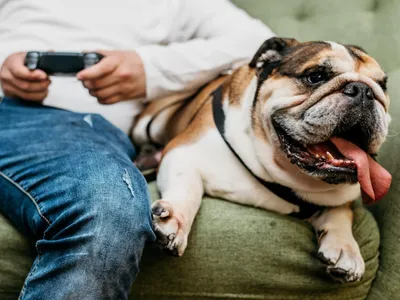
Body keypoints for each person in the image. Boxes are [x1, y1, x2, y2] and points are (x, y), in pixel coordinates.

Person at [0, 0, 274, 299]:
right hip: (12, 110)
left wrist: (149, 70)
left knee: (107, 205)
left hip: (85, 135)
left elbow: (257, 43)